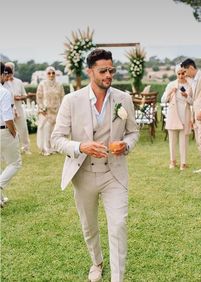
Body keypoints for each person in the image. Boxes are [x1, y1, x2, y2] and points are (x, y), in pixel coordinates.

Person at [51, 49, 139, 282]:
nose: (108, 75)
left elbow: (133, 133)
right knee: (89, 227)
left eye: (111, 70)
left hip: (114, 174)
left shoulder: (124, 99)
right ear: (90, 71)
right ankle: (97, 263)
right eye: (103, 71)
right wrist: (81, 147)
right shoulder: (72, 100)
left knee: (118, 224)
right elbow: (56, 139)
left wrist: (126, 146)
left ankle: (117, 278)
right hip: (84, 174)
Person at [161, 64, 193, 170]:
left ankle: (183, 163)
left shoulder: (190, 85)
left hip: (185, 115)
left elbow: (193, 102)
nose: (181, 75)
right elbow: (163, 100)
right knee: (172, 140)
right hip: (173, 115)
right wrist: (171, 92)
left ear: (186, 73)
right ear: (176, 74)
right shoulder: (171, 85)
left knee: (184, 140)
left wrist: (187, 96)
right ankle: (172, 162)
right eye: (178, 73)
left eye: (183, 73)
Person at [0, 62, 22, 207]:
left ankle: (0, 199)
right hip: (3, 131)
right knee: (15, 163)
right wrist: (13, 132)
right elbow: (8, 117)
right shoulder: (4, 92)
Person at [4, 62, 31, 154]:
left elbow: (25, 95)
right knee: (8, 130)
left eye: (11, 68)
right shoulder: (3, 83)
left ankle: (26, 148)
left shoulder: (18, 82)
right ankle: (11, 150)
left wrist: (19, 97)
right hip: (8, 109)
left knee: (23, 129)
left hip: (18, 108)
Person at [36, 66, 64, 156]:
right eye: (49, 73)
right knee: (46, 130)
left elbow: (63, 97)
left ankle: (54, 147)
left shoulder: (59, 85)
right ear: (46, 74)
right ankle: (46, 148)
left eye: (53, 73)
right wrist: (42, 108)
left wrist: (62, 109)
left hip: (57, 111)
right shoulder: (42, 84)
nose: (51, 75)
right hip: (46, 111)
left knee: (55, 130)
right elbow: (39, 98)